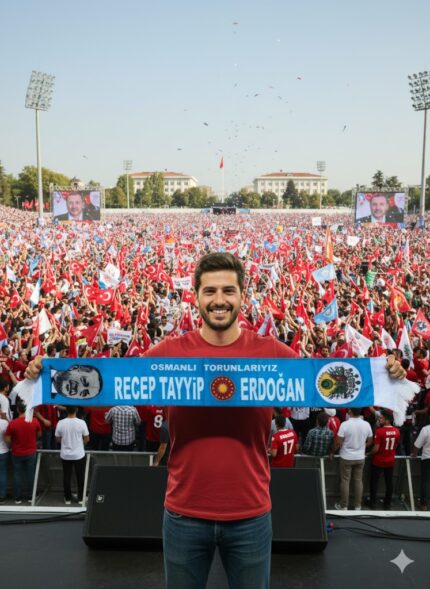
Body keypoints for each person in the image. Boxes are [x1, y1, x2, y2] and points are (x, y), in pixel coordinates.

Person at [25, 252, 407, 589]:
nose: (219, 300)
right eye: (210, 291)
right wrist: (45, 376)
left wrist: (388, 376)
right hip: (183, 515)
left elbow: (325, 383)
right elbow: (113, 383)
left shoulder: (273, 353)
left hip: (251, 516)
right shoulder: (169, 352)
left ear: (242, 296)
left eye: (228, 291)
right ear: (196, 296)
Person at [332, 407, 373, 510]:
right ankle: (358, 506)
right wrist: (361, 447)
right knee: (358, 481)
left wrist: (332, 452)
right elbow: (370, 441)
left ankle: (344, 506)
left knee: (345, 481)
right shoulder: (366, 424)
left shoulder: (345, 424)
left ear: (350, 411)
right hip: (360, 457)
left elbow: (338, 442)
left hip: (346, 457)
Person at [4, 400, 41, 504]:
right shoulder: (34, 421)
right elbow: (39, 434)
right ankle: (31, 496)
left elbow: (7, 439)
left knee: (17, 475)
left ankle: (18, 497)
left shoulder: (12, 423)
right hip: (31, 452)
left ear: (17, 409)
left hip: (17, 452)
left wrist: (15, 441)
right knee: (30, 474)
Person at [55, 405, 90, 505]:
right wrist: (80, 445)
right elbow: (87, 439)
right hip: (79, 454)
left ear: (66, 410)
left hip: (65, 454)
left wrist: (65, 442)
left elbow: (57, 439)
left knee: (66, 476)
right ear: (77, 410)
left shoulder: (60, 423)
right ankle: (81, 498)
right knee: (80, 476)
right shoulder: (82, 423)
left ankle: (67, 499)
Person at [368, 410, 400, 509]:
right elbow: (396, 445)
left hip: (378, 460)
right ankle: (387, 503)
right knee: (389, 482)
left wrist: (369, 453)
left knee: (374, 482)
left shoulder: (379, 431)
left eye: (381, 418)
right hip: (390, 460)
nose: (379, 419)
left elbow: (376, 449)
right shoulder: (397, 431)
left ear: (387, 420)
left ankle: (372, 503)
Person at [411, 413, 430, 510]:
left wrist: (414, 454)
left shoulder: (426, 429)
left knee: (426, 481)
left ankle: (424, 505)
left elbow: (417, 445)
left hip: (427, 458)